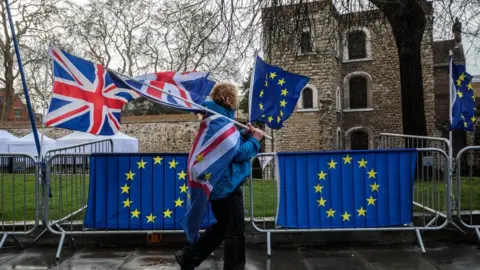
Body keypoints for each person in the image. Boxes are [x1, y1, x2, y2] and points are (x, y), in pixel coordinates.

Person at [175, 83, 265, 270]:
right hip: (226, 186)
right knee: (235, 232)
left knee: (223, 227)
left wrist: (244, 133)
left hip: (220, 184)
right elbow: (238, 152)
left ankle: (189, 256)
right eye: (235, 99)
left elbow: (229, 144)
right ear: (227, 99)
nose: (236, 103)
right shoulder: (220, 122)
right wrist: (255, 141)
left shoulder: (217, 120)